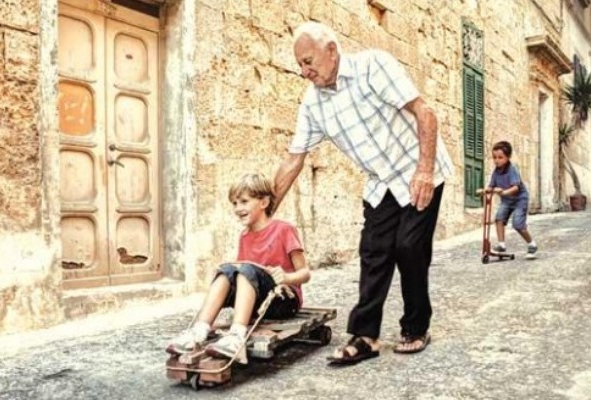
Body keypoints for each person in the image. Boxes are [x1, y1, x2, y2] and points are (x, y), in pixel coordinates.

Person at [272, 21, 454, 365]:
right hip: (381, 180)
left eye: (308, 61)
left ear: (331, 50)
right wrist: (266, 212)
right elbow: (294, 158)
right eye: (299, 64)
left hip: (418, 167)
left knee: (410, 246)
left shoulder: (373, 66)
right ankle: (366, 336)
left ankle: (416, 327)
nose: (303, 71)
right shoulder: (313, 104)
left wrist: (425, 171)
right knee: (373, 250)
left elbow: (425, 113)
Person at [166, 173, 310, 364]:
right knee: (227, 270)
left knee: (245, 270)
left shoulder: (284, 229)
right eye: (234, 203)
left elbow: (305, 273)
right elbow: (241, 275)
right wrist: (225, 277)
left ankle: (236, 336)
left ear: (264, 202)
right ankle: (199, 330)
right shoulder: (244, 236)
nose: (237, 208)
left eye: (244, 201)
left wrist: (286, 277)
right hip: (257, 302)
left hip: (282, 301)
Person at [485, 141, 538, 259]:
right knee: (499, 219)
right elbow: (491, 185)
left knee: (518, 224)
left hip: (520, 199)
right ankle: (501, 245)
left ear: (507, 157)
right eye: (494, 157)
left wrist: (503, 192)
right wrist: (487, 190)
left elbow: (516, 187)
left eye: (500, 157)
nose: (496, 160)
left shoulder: (512, 169)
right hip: (507, 200)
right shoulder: (496, 171)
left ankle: (532, 244)